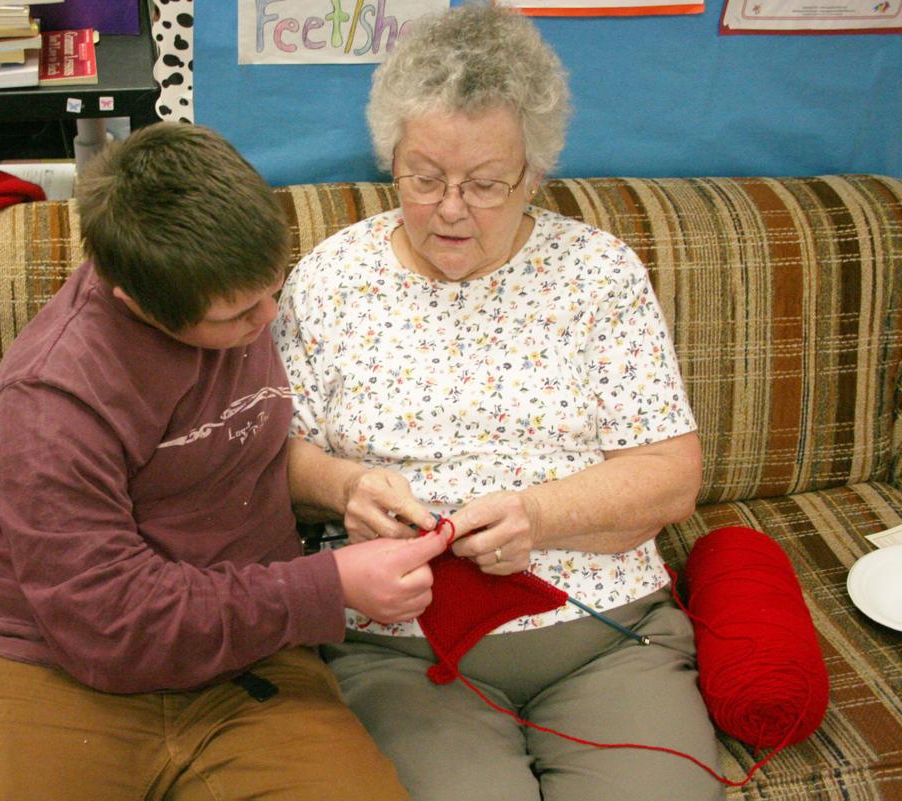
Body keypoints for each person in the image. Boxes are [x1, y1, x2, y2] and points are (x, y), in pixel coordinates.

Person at [0, 122, 447, 801]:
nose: (268, 317)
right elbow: (110, 621)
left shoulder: (229, 289)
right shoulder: (52, 393)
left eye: (273, 287)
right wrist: (327, 583)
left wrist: (346, 486)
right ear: (134, 301)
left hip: (244, 663)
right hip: (41, 661)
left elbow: (227, 454)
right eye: (241, 313)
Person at [271, 6, 721, 801]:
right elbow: (276, 458)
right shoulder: (328, 279)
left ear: (534, 174)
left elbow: (670, 473)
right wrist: (344, 487)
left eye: (485, 184)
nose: (451, 208)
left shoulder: (598, 275)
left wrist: (538, 514)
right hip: (399, 650)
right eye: (425, 177)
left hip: (608, 640)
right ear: (392, 158)